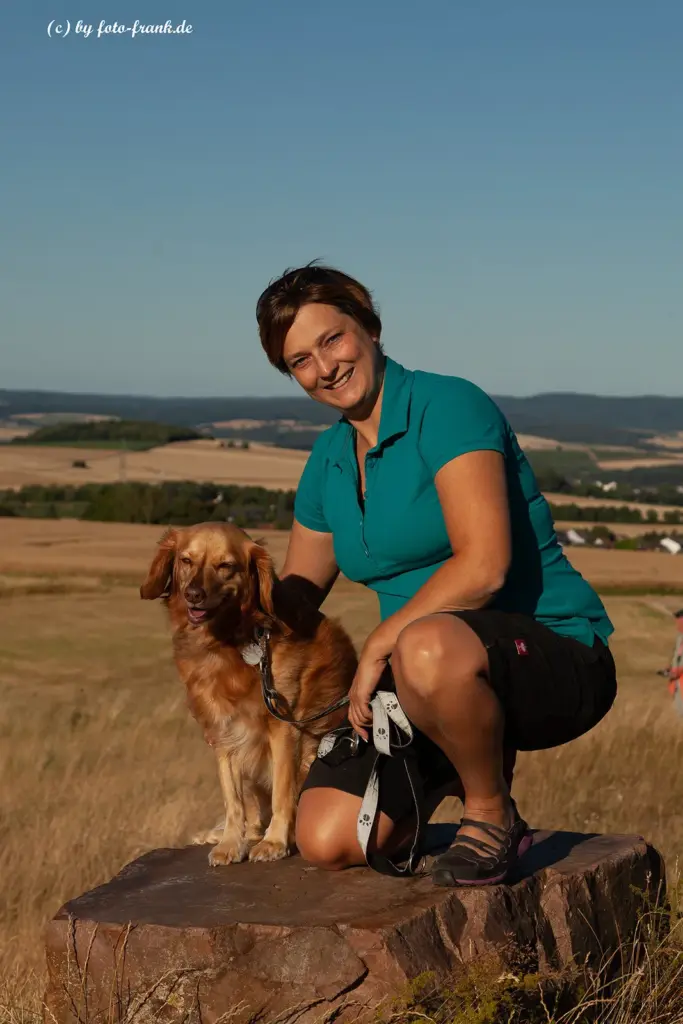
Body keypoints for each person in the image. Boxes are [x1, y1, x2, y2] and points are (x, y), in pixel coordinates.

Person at [255, 263, 618, 887]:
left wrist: (379, 642)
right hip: (421, 678)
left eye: (332, 339)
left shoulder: (447, 405)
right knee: (327, 839)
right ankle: (452, 755)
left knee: (424, 644)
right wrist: (230, 587)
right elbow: (297, 598)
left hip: (548, 652)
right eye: (300, 361)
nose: (325, 367)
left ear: (369, 325)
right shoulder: (328, 461)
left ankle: (492, 811)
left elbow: (484, 566)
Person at [666, 609, 683, 716]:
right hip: (678, 685)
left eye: (679, 621)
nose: (677, 623)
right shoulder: (680, 638)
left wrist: (678, 671)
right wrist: (670, 669)